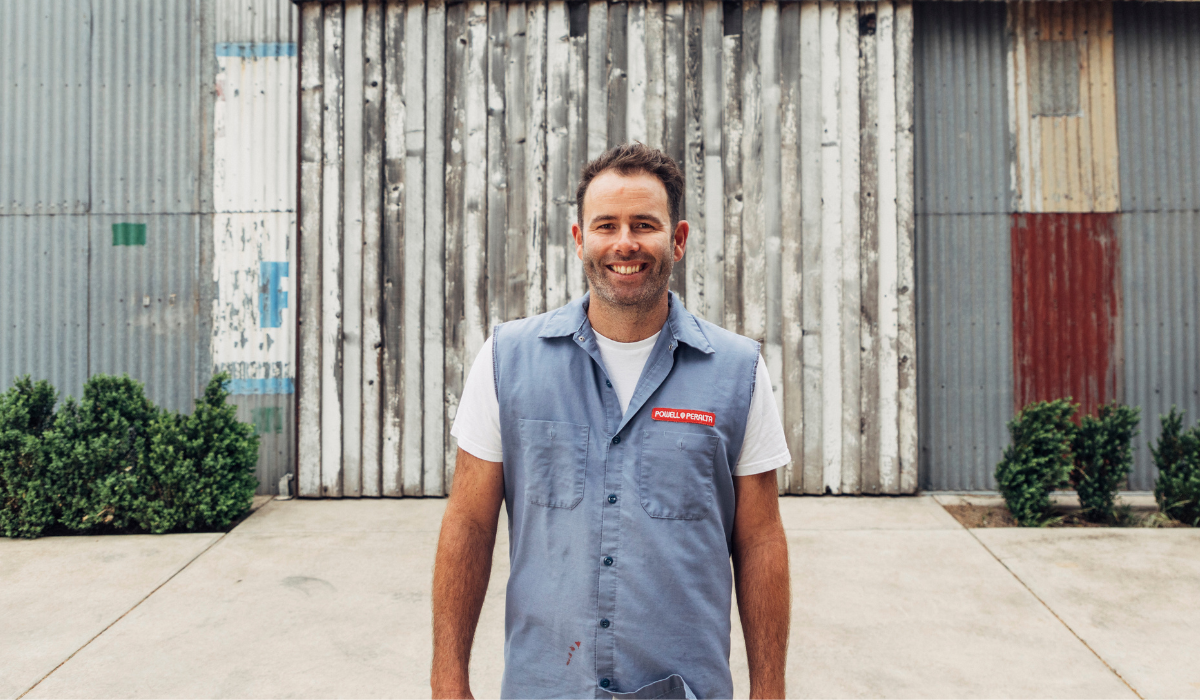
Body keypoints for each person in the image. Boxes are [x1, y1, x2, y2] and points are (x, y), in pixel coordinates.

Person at [431, 143, 791, 699]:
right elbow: (469, 525)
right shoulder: (508, 360)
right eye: (606, 225)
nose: (625, 244)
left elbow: (761, 540)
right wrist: (447, 679)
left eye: (644, 224)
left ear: (678, 239)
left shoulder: (737, 372)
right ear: (580, 240)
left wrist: (770, 691)